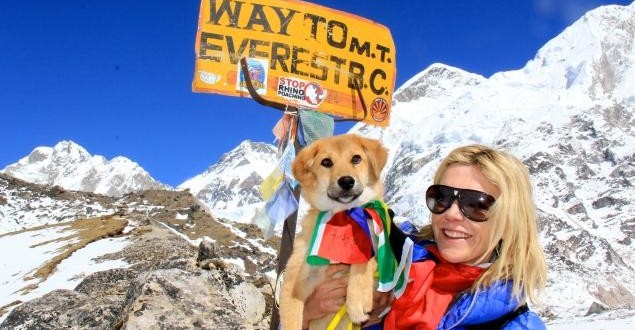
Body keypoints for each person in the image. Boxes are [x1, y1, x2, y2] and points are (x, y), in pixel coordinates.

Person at [302, 144, 547, 329]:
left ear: (509, 220)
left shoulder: (516, 325)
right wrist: (307, 314)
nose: (451, 213)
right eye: (442, 196)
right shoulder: (391, 270)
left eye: (476, 204)